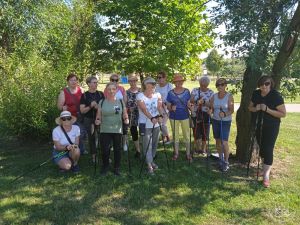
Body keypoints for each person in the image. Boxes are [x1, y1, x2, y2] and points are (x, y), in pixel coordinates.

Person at [248, 75, 286, 188]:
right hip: (258, 125)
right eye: (261, 84)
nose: (264, 86)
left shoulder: (276, 96)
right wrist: (256, 108)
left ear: (271, 84)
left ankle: (266, 176)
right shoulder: (256, 93)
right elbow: (250, 107)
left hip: (272, 126)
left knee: (268, 149)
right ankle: (264, 169)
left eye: (267, 84)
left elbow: (283, 114)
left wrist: (267, 109)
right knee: (262, 148)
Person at [95, 82, 129, 176]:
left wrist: (126, 119)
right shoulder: (102, 102)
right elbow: (98, 115)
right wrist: (97, 120)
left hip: (117, 129)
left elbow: (124, 114)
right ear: (106, 90)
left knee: (117, 149)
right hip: (105, 129)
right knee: (105, 149)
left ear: (116, 90)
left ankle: (117, 167)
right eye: (109, 89)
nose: (111, 91)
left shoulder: (121, 102)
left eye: (113, 89)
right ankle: (105, 166)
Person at [137, 77, 164, 175]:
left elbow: (159, 107)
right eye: (151, 83)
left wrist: (160, 115)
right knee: (147, 144)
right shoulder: (140, 96)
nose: (153, 85)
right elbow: (144, 109)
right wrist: (151, 118)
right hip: (145, 123)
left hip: (156, 123)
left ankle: (151, 160)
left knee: (155, 143)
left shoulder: (157, 94)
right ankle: (149, 165)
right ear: (145, 85)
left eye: (154, 83)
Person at [57, 72, 87, 155]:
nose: (73, 82)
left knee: (81, 133)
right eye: (71, 80)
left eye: (75, 80)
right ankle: (73, 150)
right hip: (69, 118)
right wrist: (63, 108)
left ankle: (81, 149)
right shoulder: (63, 92)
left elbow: (85, 101)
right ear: (67, 81)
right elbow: (59, 107)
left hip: (80, 115)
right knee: (73, 134)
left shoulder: (81, 90)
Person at [166, 73, 192, 162]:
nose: (179, 83)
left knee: (186, 135)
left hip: (185, 116)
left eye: (180, 81)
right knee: (175, 135)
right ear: (174, 83)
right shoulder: (170, 93)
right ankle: (176, 153)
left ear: (182, 82)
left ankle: (188, 153)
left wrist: (190, 106)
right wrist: (171, 107)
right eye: (177, 81)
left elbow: (189, 103)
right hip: (173, 116)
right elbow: (168, 105)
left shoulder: (187, 91)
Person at [210, 78, 234, 172]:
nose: (220, 86)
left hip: (225, 121)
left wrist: (224, 114)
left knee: (224, 142)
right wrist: (210, 111)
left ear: (225, 85)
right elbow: (211, 107)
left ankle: (226, 162)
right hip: (215, 120)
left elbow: (231, 110)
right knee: (218, 141)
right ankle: (220, 158)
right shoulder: (214, 96)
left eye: (222, 84)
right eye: (218, 85)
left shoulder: (229, 96)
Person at [80, 76, 104, 163]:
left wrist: (98, 107)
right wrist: (90, 106)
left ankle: (104, 155)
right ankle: (94, 156)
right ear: (89, 84)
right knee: (92, 137)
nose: (96, 84)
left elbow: (104, 108)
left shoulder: (101, 94)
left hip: (100, 118)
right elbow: (82, 110)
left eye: (96, 82)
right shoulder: (84, 95)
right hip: (89, 119)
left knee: (102, 137)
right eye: (94, 82)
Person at [190, 76, 214, 154]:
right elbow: (191, 100)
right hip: (196, 113)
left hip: (206, 114)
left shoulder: (211, 92)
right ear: (199, 83)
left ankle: (203, 149)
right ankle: (197, 148)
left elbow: (212, 104)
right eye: (201, 85)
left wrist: (204, 102)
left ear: (208, 84)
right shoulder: (195, 90)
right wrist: (197, 101)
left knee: (205, 132)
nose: (203, 87)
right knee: (196, 131)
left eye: (205, 85)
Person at [104, 73, 128, 150]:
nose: (114, 81)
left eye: (116, 80)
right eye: (112, 80)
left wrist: (123, 110)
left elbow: (125, 100)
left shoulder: (122, 89)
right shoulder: (107, 89)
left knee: (124, 129)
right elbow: (106, 100)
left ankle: (124, 144)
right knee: (112, 128)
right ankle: (112, 144)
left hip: (121, 111)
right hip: (111, 112)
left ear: (118, 81)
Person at [126, 74, 142, 158]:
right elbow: (125, 104)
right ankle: (138, 150)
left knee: (144, 132)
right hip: (132, 115)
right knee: (134, 132)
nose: (132, 82)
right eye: (130, 81)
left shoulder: (141, 91)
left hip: (142, 114)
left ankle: (146, 148)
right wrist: (129, 109)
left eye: (134, 80)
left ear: (137, 81)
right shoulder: (127, 92)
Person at [155, 71, 173, 144]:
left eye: (160, 77)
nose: (158, 79)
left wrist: (166, 104)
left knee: (163, 123)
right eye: (157, 77)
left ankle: (168, 138)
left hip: (167, 107)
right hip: (158, 107)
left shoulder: (169, 85)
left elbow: (171, 96)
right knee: (159, 122)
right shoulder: (157, 86)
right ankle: (164, 137)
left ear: (165, 78)